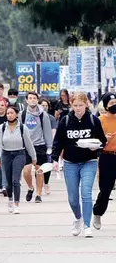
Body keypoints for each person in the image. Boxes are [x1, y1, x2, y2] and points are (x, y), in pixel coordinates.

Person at [52, 92, 107, 238]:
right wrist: (54, 159)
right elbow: (58, 142)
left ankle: (87, 226)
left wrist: (97, 147)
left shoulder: (93, 120)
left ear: (86, 104)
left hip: (89, 161)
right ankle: (78, 218)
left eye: (81, 105)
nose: (78, 109)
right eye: (75, 105)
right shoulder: (65, 121)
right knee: (73, 198)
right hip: (70, 162)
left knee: (86, 193)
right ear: (71, 105)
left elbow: (102, 140)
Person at [0, 106, 37, 214]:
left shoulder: (23, 128)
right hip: (6, 154)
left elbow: (28, 143)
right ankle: (10, 199)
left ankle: (17, 204)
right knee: (8, 182)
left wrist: (33, 157)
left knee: (15, 179)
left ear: (16, 114)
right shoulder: (2, 127)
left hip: (19, 154)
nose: (9, 115)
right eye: (7, 113)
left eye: (11, 113)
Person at [21, 91, 53, 203]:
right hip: (26, 146)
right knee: (26, 171)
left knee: (39, 171)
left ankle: (38, 194)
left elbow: (47, 131)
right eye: (30, 98)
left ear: (37, 100)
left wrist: (49, 147)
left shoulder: (43, 114)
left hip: (40, 145)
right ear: (26, 100)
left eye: (34, 98)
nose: (32, 100)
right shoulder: (22, 114)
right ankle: (30, 187)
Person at [93, 92, 116, 230]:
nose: (114, 106)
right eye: (111, 104)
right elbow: (95, 141)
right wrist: (103, 139)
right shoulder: (100, 120)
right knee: (105, 189)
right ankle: (98, 212)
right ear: (106, 106)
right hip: (107, 157)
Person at [39, 98, 57, 195]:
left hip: (48, 145)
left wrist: (51, 143)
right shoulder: (35, 117)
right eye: (42, 105)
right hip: (38, 144)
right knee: (38, 166)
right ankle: (39, 185)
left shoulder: (51, 118)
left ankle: (46, 183)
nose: (44, 107)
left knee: (47, 165)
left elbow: (53, 131)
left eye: (46, 105)